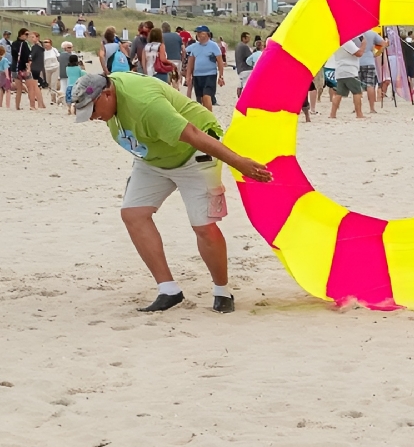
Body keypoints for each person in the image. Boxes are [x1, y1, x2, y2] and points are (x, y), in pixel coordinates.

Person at [71, 72, 273, 313]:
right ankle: (168, 290)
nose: (93, 118)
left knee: (203, 226)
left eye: (93, 110)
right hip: (153, 159)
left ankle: (222, 291)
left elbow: (194, 135)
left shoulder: (146, 105)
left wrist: (238, 162)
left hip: (194, 154)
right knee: (133, 214)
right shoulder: (108, 89)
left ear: (107, 94)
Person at [184, 26, 225, 111]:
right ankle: (203, 118)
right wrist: (188, 76)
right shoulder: (194, 46)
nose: (199, 35)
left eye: (201, 33)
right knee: (200, 99)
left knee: (207, 96)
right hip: (197, 75)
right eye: (197, 33)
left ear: (207, 34)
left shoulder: (213, 46)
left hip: (210, 74)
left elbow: (220, 61)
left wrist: (221, 76)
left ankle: (209, 117)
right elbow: (190, 62)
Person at [328, 35, 367, 119]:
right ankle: (359, 114)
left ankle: (333, 114)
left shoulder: (337, 42)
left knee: (339, 93)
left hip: (340, 70)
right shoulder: (347, 42)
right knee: (357, 92)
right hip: (349, 70)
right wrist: (364, 44)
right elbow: (359, 53)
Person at [357, 29, 386, 114]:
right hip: (369, 60)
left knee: (357, 86)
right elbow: (384, 43)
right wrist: (377, 52)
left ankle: (357, 108)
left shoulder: (354, 33)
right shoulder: (372, 33)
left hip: (356, 61)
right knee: (370, 85)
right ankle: (372, 108)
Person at [9, 28, 35, 110]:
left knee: (19, 89)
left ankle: (17, 106)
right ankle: (32, 106)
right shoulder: (24, 44)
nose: (27, 36)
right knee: (31, 88)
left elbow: (14, 55)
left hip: (14, 68)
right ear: (21, 34)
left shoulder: (13, 43)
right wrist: (29, 66)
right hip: (23, 68)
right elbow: (28, 57)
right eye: (26, 34)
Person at [161, 23, 183, 89]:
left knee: (167, 81)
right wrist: (182, 58)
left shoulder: (161, 37)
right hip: (177, 60)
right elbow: (183, 49)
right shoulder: (177, 36)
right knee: (176, 80)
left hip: (166, 61)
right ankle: (176, 93)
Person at [234, 31, 253, 97]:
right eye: (248, 38)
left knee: (241, 84)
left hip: (240, 68)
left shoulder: (238, 46)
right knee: (246, 85)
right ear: (243, 38)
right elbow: (251, 58)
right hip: (246, 68)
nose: (249, 39)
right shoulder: (244, 46)